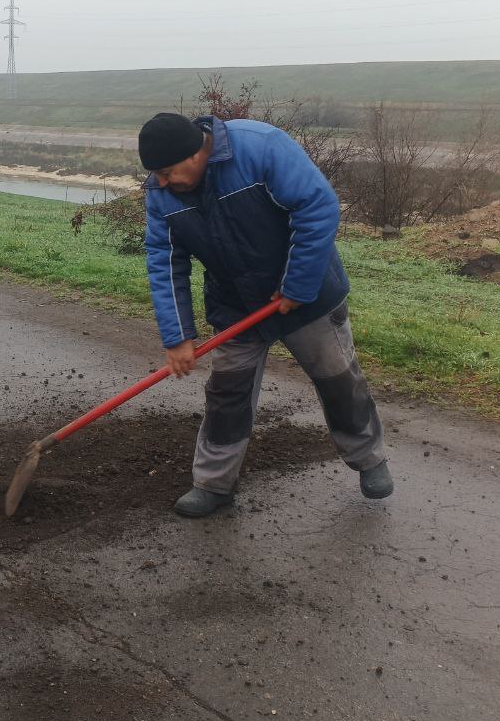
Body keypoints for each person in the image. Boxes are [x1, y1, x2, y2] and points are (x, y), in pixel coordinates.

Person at [139, 112, 391, 516]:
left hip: (305, 295)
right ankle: (214, 484)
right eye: (156, 175)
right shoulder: (162, 194)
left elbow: (318, 207)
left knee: (338, 380)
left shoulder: (260, 147)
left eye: (167, 172)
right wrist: (177, 336)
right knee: (227, 394)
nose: (161, 183)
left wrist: (297, 285)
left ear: (195, 153)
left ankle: (369, 459)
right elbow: (165, 262)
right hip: (236, 302)